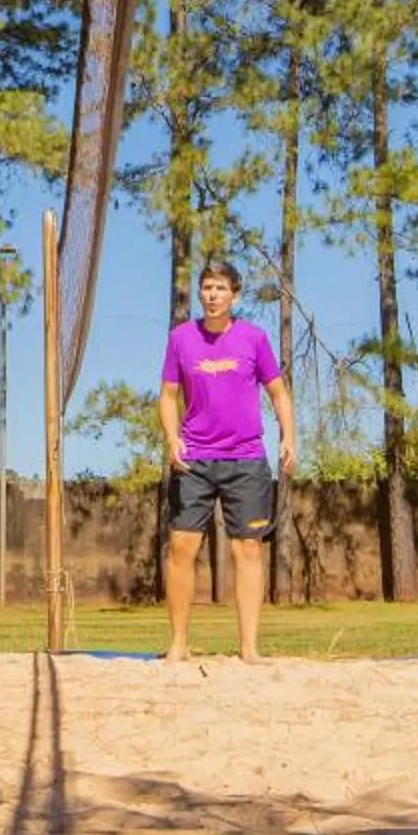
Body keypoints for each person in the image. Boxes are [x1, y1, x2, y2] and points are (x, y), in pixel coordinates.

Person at [157, 260, 298, 665]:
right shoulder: (181, 339)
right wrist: (172, 439)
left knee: (248, 549)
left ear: (235, 295)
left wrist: (289, 436)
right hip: (194, 461)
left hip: (246, 460)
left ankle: (250, 648)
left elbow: (279, 393)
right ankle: (179, 643)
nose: (212, 295)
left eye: (220, 288)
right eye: (207, 287)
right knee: (182, 547)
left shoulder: (254, 338)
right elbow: (168, 396)